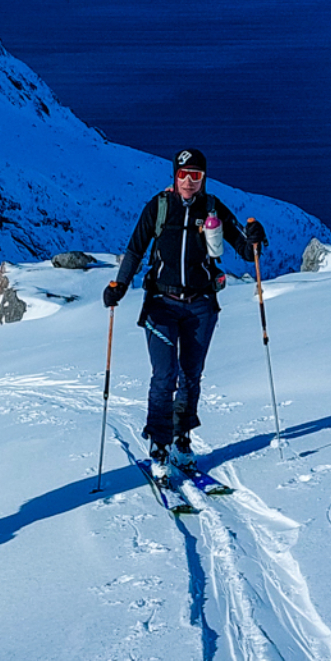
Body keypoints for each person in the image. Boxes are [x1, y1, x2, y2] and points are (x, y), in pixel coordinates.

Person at [102, 148, 265, 468]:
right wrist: (119, 285)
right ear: (174, 177)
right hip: (161, 304)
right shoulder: (159, 206)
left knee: (191, 376)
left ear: (204, 178)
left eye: (196, 175)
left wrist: (256, 239)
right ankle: (160, 444)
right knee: (165, 376)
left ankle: (182, 440)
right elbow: (135, 250)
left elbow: (245, 249)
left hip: (201, 306)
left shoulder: (213, 208)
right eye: (183, 175)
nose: (189, 181)